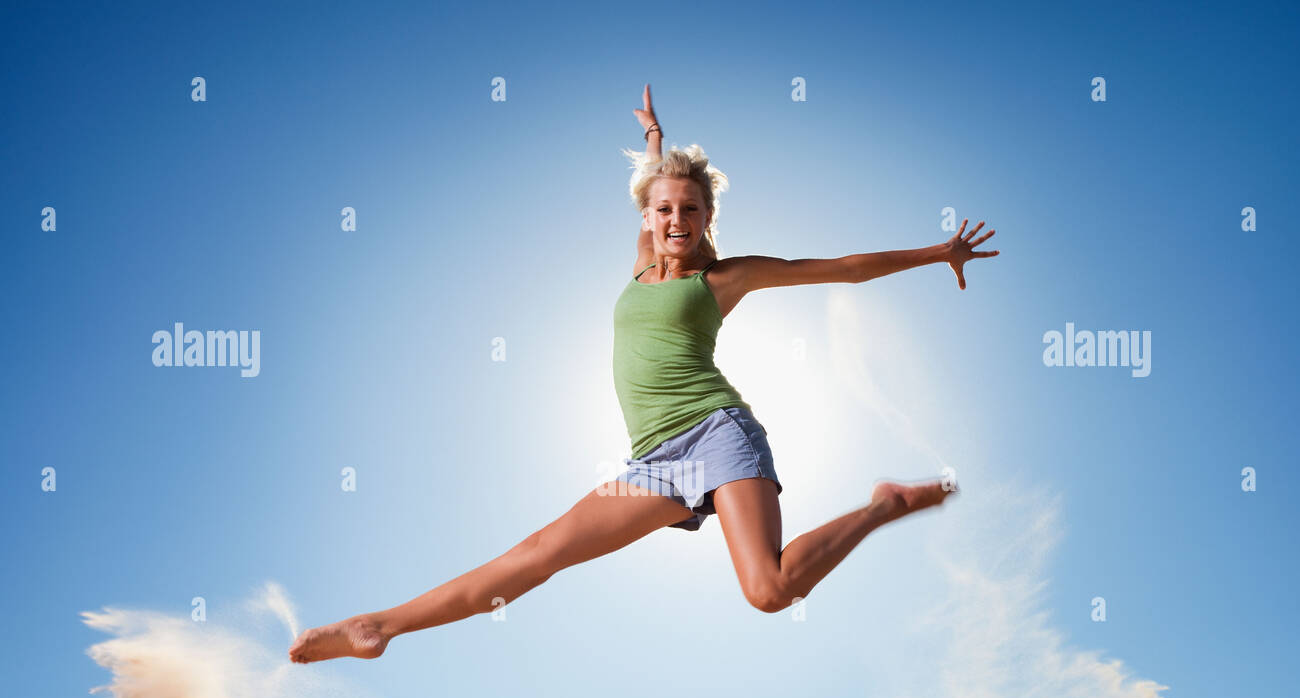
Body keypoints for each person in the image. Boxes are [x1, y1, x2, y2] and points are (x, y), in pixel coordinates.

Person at [288, 84, 998, 663]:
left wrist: (940, 252)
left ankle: (883, 503)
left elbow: (841, 269)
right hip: (653, 462)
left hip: (720, 437)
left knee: (770, 589)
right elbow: (652, 181)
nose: (676, 220)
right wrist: (656, 139)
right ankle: (378, 625)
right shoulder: (639, 259)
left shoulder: (724, 278)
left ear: (708, 215)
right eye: (665, 209)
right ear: (649, 215)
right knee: (538, 555)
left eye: (691, 209)